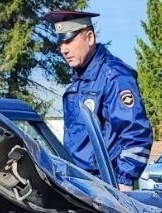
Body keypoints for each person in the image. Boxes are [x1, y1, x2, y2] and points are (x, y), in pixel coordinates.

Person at [43, 10, 153, 190]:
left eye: (69, 40)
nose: (64, 49)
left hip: (107, 187)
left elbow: (137, 134)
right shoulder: (80, 81)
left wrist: (124, 182)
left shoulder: (114, 76)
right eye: (61, 43)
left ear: (89, 37)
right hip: (80, 185)